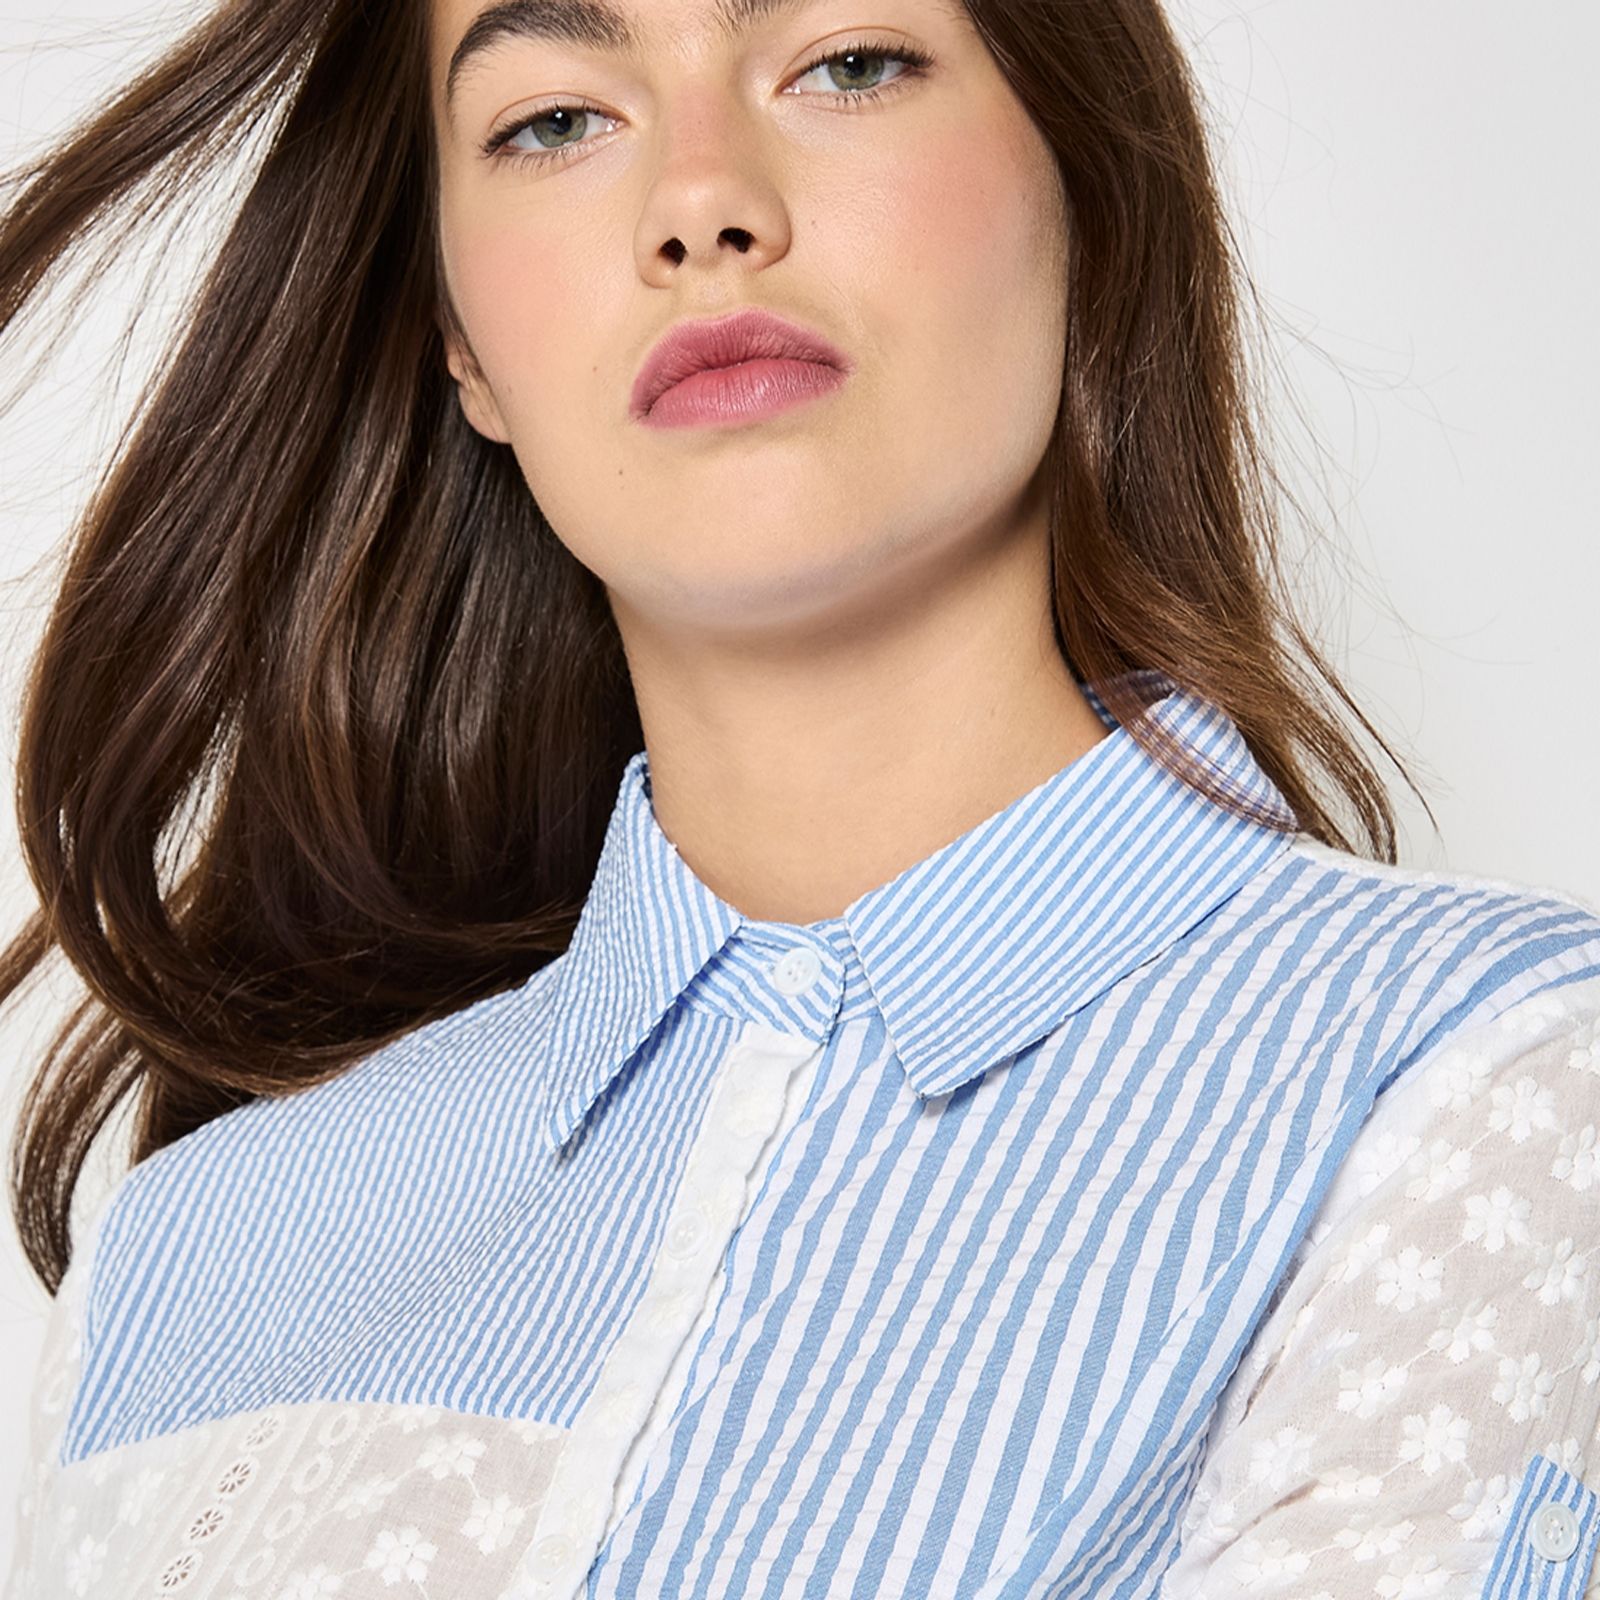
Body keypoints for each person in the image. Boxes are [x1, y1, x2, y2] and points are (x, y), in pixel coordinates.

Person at [1, 0, 1596, 1592]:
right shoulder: (187, 1260)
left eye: (851, 64)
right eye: (554, 120)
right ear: (463, 343)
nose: (703, 201)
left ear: (1092, 199)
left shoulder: (1473, 1080)